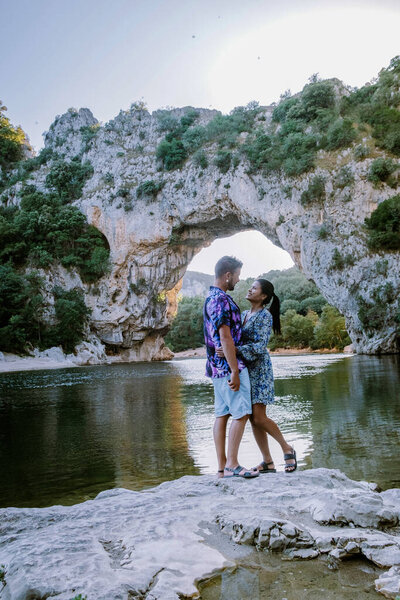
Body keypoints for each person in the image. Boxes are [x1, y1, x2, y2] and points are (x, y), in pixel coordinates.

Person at [217, 278, 297, 473]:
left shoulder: (264, 316)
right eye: (250, 286)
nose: (250, 290)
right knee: (252, 418)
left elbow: (260, 347)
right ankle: (268, 462)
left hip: (260, 370)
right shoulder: (244, 314)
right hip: (245, 369)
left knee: (260, 418)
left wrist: (235, 349)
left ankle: (287, 448)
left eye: (254, 288)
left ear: (263, 296)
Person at [203, 256, 258, 479]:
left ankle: (221, 467)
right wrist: (235, 370)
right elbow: (225, 336)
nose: (238, 279)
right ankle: (232, 464)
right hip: (227, 366)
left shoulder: (210, 297)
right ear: (228, 275)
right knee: (242, 412)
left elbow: (215, 336)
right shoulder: (221, 299)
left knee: (222, 414)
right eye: (237, 275)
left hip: (216, 367)